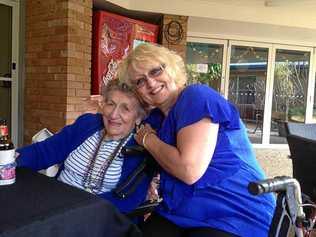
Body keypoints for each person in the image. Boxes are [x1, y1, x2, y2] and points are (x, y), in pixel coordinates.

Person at [117, 43, 276, 237]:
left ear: (172, 69)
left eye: (155, 71)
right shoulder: (157, 117)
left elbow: (189, 170)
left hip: (233, 210)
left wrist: (148, 139)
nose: (150, 83)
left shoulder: (197, 97)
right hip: (180, 211)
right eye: (140, 81)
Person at [16, 79, 152, 214]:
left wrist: (79, 209)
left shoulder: (140, 148)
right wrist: (10, 160)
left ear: (138, 117)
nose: (114, 114)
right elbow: (44, 152)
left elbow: (128, 200)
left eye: (125, 108)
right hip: (55, 204)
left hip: (95, 218)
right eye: (110, 104)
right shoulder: (87, 124)